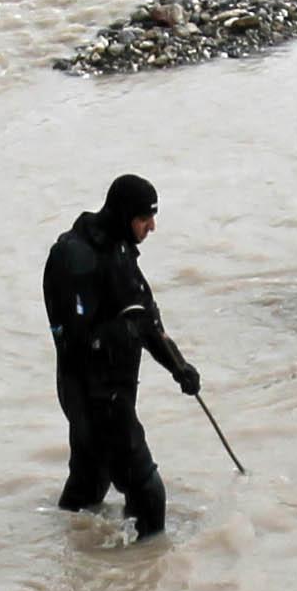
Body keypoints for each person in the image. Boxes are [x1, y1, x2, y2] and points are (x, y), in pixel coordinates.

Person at [42, 173, 198, 540]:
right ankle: (148, 576)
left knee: (88, 488)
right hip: (95, 396)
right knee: (147, 492)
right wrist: (123, 329)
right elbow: (77, 338)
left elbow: (143, 316)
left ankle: (81, 567)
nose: (152, 227)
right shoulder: (75, 257)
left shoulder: (119, 249)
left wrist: (179, 367)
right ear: (125, 214)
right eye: (146, 218)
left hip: (110, 391)